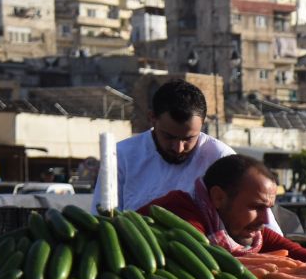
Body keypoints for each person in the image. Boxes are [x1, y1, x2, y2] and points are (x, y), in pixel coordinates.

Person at [141, 155, 306, 262]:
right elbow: (212, 268)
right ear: (219, 197)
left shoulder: (236, 227)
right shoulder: (181, 215)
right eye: (256, 207)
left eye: (268, 208)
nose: (266, 219)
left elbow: (295, 252)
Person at [96, 79, 235, 211]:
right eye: (169, 137)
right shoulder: (120, 156)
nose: (178, 148)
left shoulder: (222, 159)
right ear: (152, 119)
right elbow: (102, 218)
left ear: (202, 124)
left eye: (188, 139)